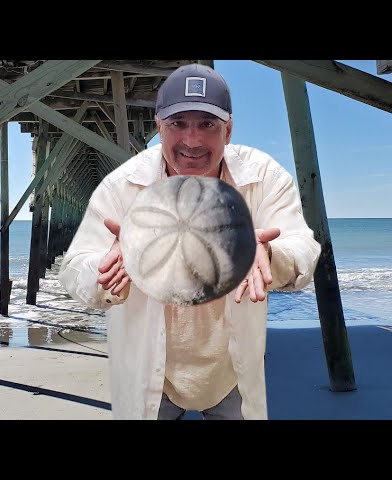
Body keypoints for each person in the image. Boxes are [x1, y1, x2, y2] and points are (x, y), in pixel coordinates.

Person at [58, 63, 321, 420]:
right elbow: (74, 270)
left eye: (207, 125)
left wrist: (270, 255)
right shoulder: (123, 186)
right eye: (178, 124)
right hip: (153, 374)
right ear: (158, 127)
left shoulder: (263, 178)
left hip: (230, 371)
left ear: (228, 130)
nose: (193, 140)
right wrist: (107, 270)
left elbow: (304, 248)